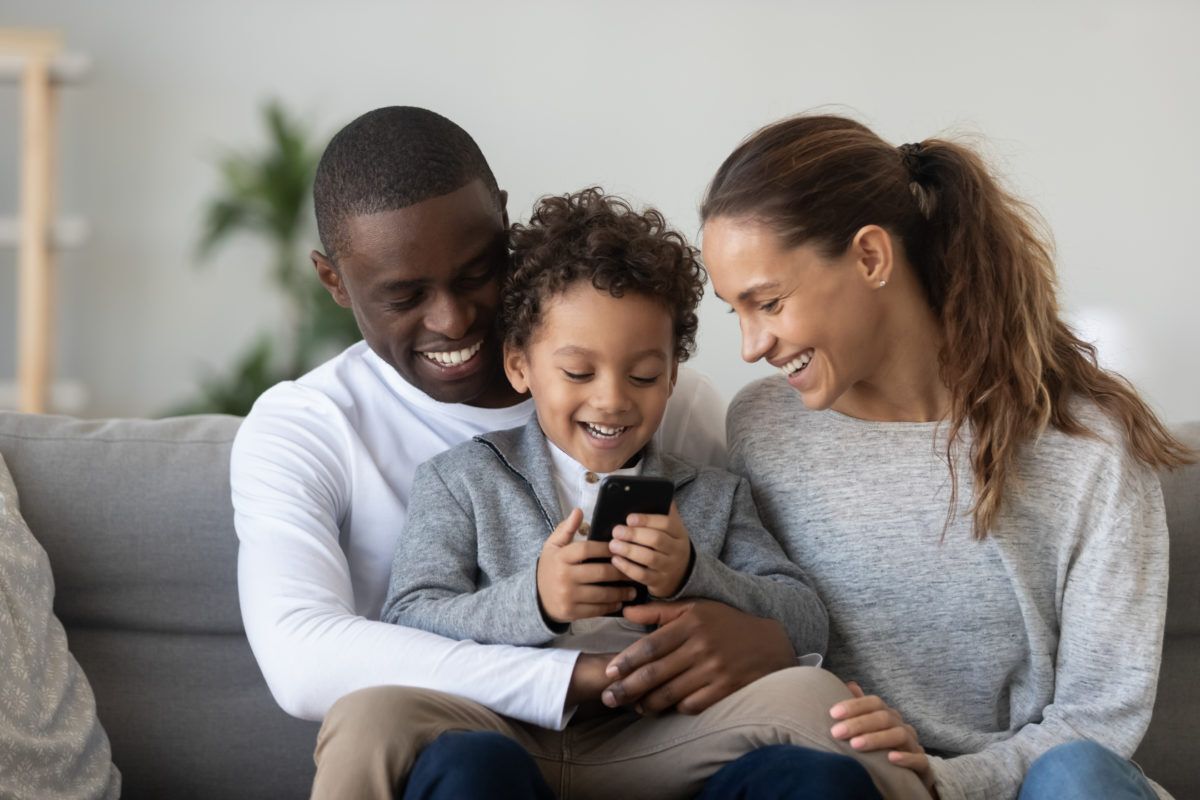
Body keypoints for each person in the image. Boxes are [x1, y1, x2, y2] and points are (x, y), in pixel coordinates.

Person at [229, 107, 854, 798]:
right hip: (496, 730)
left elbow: (794, 620)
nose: (452, 319)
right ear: (335, 281)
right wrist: (543, 615)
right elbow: (320, 653)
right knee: (385, 722)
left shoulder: (692, 445)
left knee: (820, 714)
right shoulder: (368, 446)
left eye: (474, 275)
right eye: (406, 295)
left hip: (665, 733)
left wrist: (711, 592)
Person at [693, 113, 1193, 799]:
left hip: (1035, 788)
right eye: (736, 312)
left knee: (1078, 779)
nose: (752, 345)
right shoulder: (763, 427)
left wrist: (945, 781)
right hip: (859, 784)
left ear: (871, 257)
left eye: (769, 303)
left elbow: (1099, 718)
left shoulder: (1086, 444)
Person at [366, 188, 924, 799]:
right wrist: (537, 601)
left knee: (820, 781)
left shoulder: (712, 495)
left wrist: (693, 571)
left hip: (669, 744)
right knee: (464, 768)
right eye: (579, 373)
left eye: (644, 375)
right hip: (512, 733)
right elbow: (409, 620)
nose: (612, 400)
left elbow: (804, 619)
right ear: (520, 365)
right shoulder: (459, 479)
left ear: (673, 376)